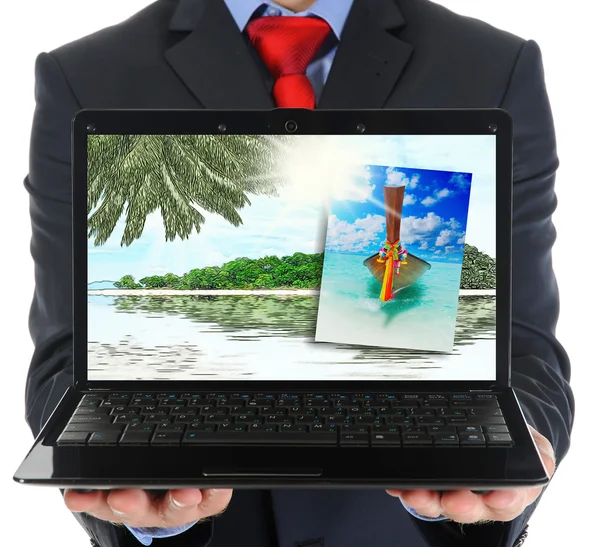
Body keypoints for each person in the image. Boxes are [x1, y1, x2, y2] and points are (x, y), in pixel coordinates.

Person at [24, 0, 574, 546]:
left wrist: (498, 461)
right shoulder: (84, 75)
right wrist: (145, 503)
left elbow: (521, 344)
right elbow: (67, 356)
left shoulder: (495, 66)